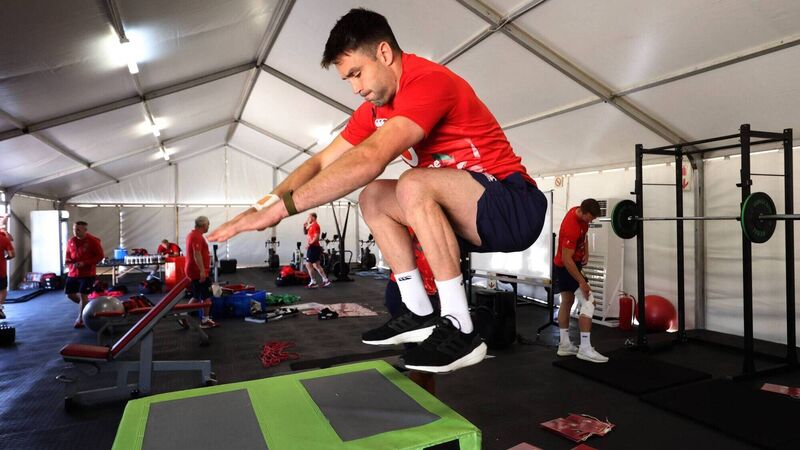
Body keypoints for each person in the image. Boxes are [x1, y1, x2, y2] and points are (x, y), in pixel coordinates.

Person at [207, 8, 547, 373]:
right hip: (470, 214)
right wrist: (265, 205)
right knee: (373, 197)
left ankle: (462, 328)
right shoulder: (374, 110)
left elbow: (371, 158)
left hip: (514, 206)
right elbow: (321, 162)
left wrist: (282, 211)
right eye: (347, 80)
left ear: (384, 53)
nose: (355, 88)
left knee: (411, 183)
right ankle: (419, 311)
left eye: (357, 73)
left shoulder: (429, 81)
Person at [554, 199, 608, 363]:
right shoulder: (571, 227)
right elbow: (567, 259)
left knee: (567, 301)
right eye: (590, 218)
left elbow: (583, 236)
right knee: (589, 302)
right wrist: (582, 282)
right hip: (567, 267)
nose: (590, 221)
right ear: (583, 213)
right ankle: (585, 348)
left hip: (567, 264)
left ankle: (564, 345)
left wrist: (587, 251)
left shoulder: (578, 212)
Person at [64, 221, 104, 328]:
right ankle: (88, 306)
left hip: (87, 273)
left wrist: (84, 263)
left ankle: (80, 319)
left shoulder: (93, 241)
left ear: (85, 230)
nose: (75, 231)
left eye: (78, 229)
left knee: (83, 295)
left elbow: (100, 256)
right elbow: (68, 255)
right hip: (73, 273)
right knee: (70, 295)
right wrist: (69, 263)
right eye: (74, 229)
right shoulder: (71, 241)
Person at [185, 216, 216, 329]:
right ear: (203, 225)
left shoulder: (193, 234)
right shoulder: (196, 236)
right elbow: (196, 254)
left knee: (196, 295)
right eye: (208, 224)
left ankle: (184, 316)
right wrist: (202, 271)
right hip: (197, 271)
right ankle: (205, 320)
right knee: (206, 296)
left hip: (195, 270)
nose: (209, 226)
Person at [303, 213, 331, 288]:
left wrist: (309, 244)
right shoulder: (311, 225)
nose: (308, 218)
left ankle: (313, 282)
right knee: (316, 265)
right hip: (314, 247)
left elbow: (316, 238)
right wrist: (304, 226)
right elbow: (305, 232)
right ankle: (325, 280)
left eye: (309, 217)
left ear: (313, 217)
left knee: (308, 264)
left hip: (313, 247)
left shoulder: (315, 225)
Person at [0, 227, 15, 320]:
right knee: (2, 289)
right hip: (0, 271)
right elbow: (12, 254)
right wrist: (6, 258)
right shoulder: (3, 238)